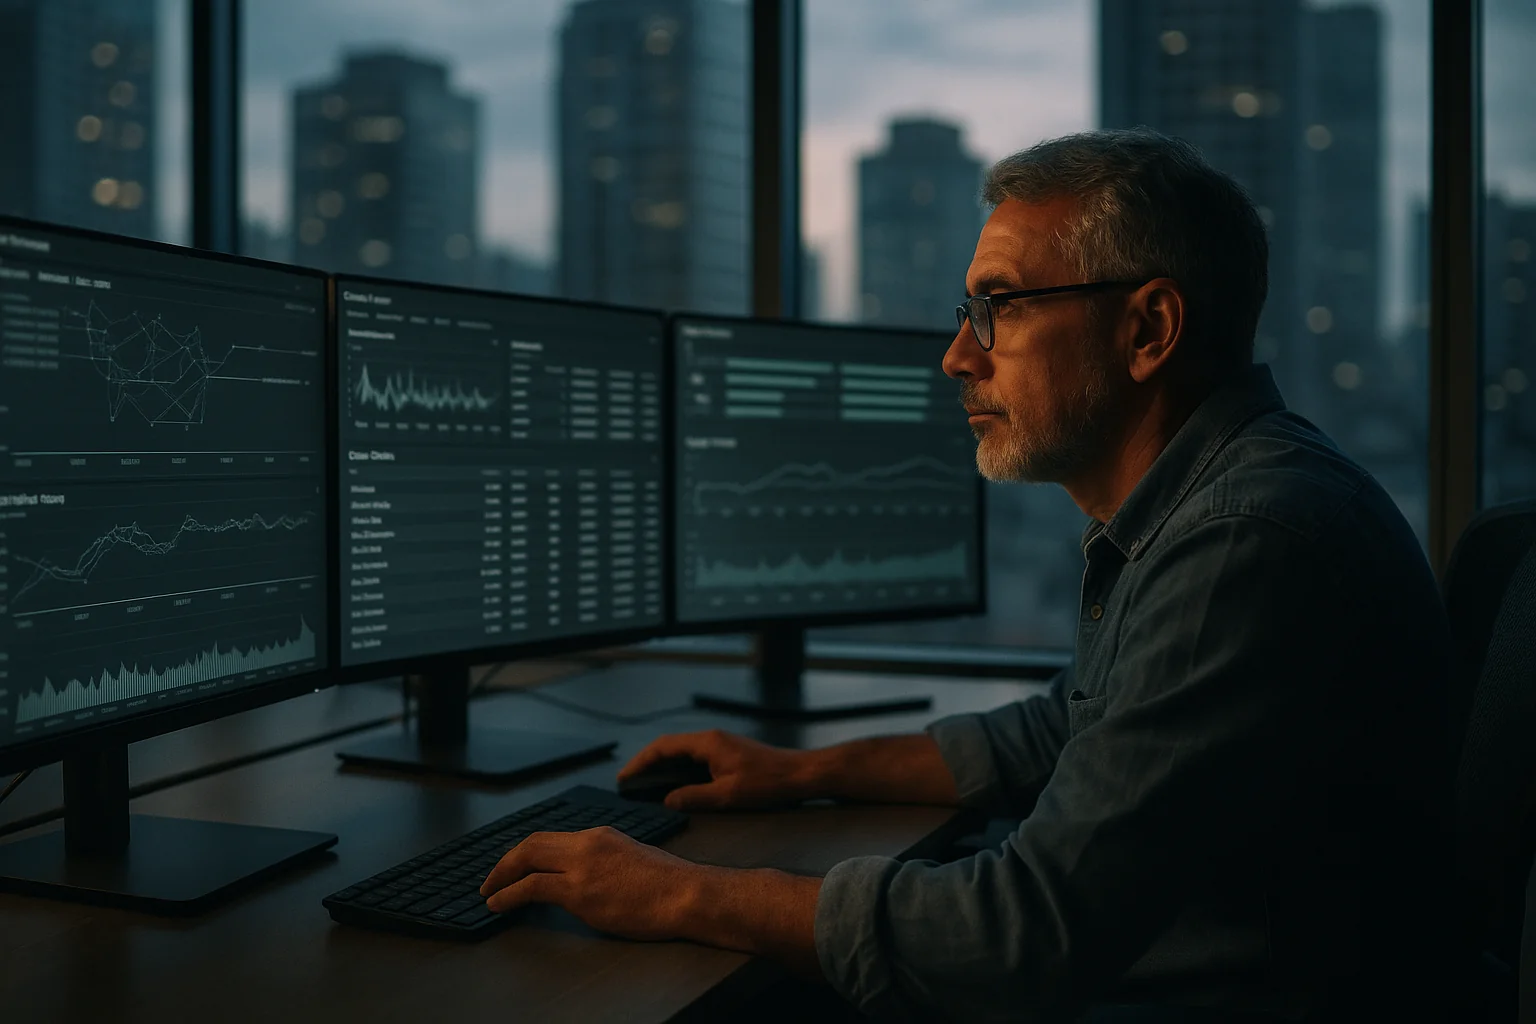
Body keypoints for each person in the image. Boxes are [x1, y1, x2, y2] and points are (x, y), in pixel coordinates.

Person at [479, 128, 1453, 1022]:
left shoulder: (1246, 539)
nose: (957, 356)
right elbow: (1071, 724)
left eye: (1000, 308)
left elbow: (1018, 937)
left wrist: (677, 889)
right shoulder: (1213, 503)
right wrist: (803, 772)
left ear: (1148, 329)